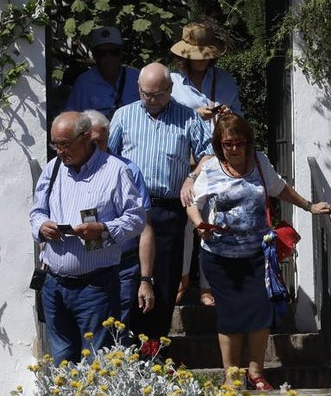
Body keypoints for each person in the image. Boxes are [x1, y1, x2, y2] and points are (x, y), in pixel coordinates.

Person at [186, 114, 331, 389]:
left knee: (261, 311)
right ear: (220, 145)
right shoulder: (211, 170)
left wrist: (309, 206)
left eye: (239, 143)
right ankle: (232, 375)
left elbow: (281, 190)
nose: (234, 149)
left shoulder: (260, 163)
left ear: (248, 143)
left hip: (257, 254)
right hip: (220, 256)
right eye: (228, 144)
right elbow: (193, 202)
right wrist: (198, 224)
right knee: (231, 313)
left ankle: (256, 372)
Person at [29, 111, 146, 363]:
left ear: (86, 137)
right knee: (61, 358)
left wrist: (103, 230)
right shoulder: (54, 168)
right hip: (54, 285)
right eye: (55, 144)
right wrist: (42, 226)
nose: (59, 151)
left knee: (98, 360)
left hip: (96, 286)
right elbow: (36, 211)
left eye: (64, 144)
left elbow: (137, 219)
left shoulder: (115, 171)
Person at [108, 62, 212, 341]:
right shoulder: (123, 116)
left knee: (164, 284)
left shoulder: (188, 118)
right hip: (130, 209)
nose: (151, 100)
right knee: (129, 281)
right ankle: (124, 349)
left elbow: (209, 154)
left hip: (167, 210)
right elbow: (109, 158)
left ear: (170, 89)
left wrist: (191, 176)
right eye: (146, 94)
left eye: (158, 94)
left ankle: (154, 352)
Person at [168, 21, 245, 309]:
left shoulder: (224, 80)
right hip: (186, 158)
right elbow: (167, 116)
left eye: (205, 55)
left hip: (216, 158)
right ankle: (182, 279)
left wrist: (226, 113)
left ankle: (207, 285)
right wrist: (193, 113)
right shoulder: (173, 83)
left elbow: (239, 118)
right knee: (188, 219)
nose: (201, 61)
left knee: (212, 218)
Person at [82, 110, 156, 330]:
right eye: (91, 142)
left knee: (117, 332)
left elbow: (145, 227)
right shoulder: (67, 170)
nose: (97, 148)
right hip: (83, 268)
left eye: (101, 142)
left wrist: (146, 279)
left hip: (122, 265)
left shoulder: (128, 170)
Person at [63, 26, 140, 120]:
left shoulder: (137, 78)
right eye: (102, 53)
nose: (109, 58)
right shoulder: (84, 83)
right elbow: (71, 120)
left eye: (114, 52)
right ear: (95, 56)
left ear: (121, 53)